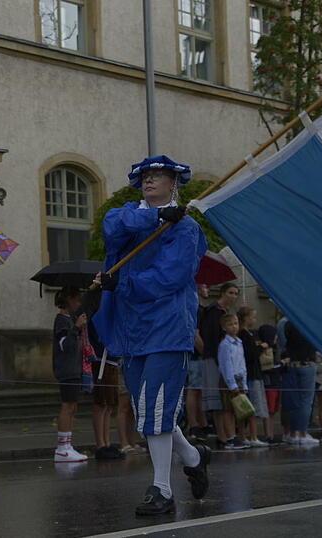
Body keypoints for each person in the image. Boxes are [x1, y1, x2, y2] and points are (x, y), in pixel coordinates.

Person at [93, 155, 210, 516]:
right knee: (148, 409)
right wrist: (156, 216)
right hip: (130, 328)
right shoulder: (132, 215)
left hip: (167, 326)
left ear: (174, 182)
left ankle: (162, 488)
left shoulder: (187, 229)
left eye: (157, 175)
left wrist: (122, 282)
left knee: (157, 405)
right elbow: (112, 226)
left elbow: (169, 278)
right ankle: (193, 455)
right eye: (145, 175)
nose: (148, 180)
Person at [82, 289, 124, 460]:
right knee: (101, 403)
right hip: (101, 359)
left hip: (111, 359)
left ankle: (106, 442)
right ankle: (100, 444)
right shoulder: (95, 314)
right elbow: (97, 335)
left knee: (109, 404)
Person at [198, 282, 240, 446]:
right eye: (231, 292)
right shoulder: (213, 312)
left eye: (236, 293)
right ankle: (223, 436)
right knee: (217, 400)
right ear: (222, 293)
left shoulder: (226, 313)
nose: (233, 296)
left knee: (225, 401)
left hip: (224, 359)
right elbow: (210, 337)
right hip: (214, 358)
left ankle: (229, 435)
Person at [51, 287, 89, 463]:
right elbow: (64, 345)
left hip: (74, 369)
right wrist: (76, 328)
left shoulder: (69, 320)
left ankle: (68, 444)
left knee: (73, 406)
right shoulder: (61, 321)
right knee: (67, 406)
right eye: (77, 300)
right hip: (66, 370)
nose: (79, 303)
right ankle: (62, 448)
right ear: (69, 300)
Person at [282, 320, 319, 445]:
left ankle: (292, 433)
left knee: (294, 400)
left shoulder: (288, 324)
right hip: (307, 363)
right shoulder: (309, 323)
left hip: (292, 364)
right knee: (306, 401)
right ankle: (303, 433)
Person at [216, 313, 249, 450]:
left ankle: (241, 436)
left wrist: (244, 383)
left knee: (241, 410)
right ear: (224, 327)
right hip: (229, 380)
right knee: (228, 410)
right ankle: (230, 437)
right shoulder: (225, 344)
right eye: (230, 324)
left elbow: (242, 364)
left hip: (240, 378)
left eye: (236, 323)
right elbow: (226, 365)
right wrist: (231, 384)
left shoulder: (239, 342)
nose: (234, 326)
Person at [238, 307, 269, 447]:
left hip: (254, 373)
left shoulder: (247, 334)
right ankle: (252, 436)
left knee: (253, 406)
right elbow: (250, 354)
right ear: (246, 318)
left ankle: (250, 436)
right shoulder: (244, 334)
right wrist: (261, 347)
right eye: (253, 317)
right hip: (251, 374)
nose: (254, 320)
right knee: (252, 407)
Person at [185, 283, 210, 442]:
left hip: (199, 356)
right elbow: (195, 334)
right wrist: (205, 351)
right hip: (195, 356)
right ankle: (194, 423)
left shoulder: (202, 310)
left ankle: (202, 422)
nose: (208, 289)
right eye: (206, 287)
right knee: (194, 389)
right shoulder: (195, 309)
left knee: (200, 390)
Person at [258, 324, 284, 445]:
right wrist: (280, 364)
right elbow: (266, 365)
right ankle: (268, 434)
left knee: (273, 410)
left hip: (276, 382)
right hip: (269, 383)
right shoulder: (264, 349)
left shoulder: (275, 348)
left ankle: (272, 433)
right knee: (268, 409)